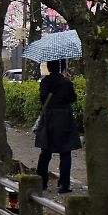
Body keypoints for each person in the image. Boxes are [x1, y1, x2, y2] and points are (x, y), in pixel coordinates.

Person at [35, 60, 81, 193]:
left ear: (48, 68)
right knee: (66, 152)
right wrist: (69, 81)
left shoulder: (45, 82)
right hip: (64, 117)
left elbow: (43, 99)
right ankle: (64, 184)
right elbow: (73, 98)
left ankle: (41, 181)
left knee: (45, 151)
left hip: (49, 117)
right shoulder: (66, 82)